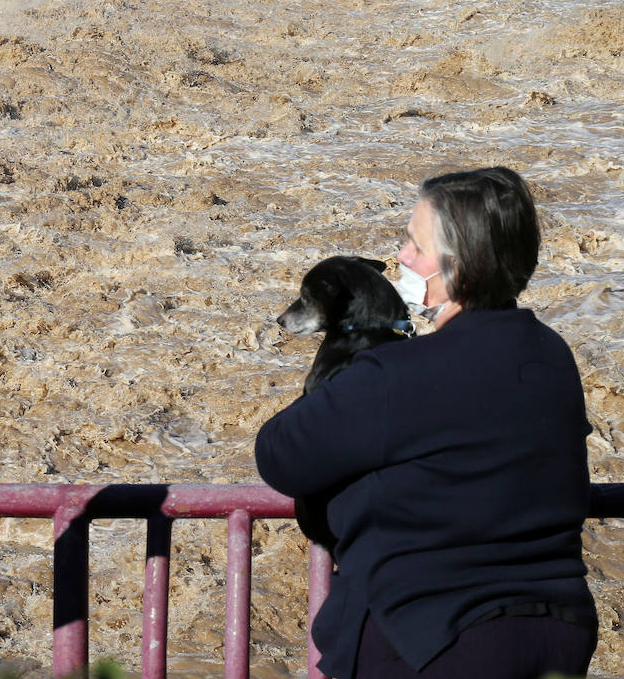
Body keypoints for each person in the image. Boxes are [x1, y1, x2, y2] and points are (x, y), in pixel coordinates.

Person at [255, 166, 596, 679]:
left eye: (415, 245)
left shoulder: (397, 374)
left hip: (433, 637)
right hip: (557, 632)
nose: (401, 257)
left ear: (459, 266)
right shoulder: (553, 358)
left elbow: (279, 454)